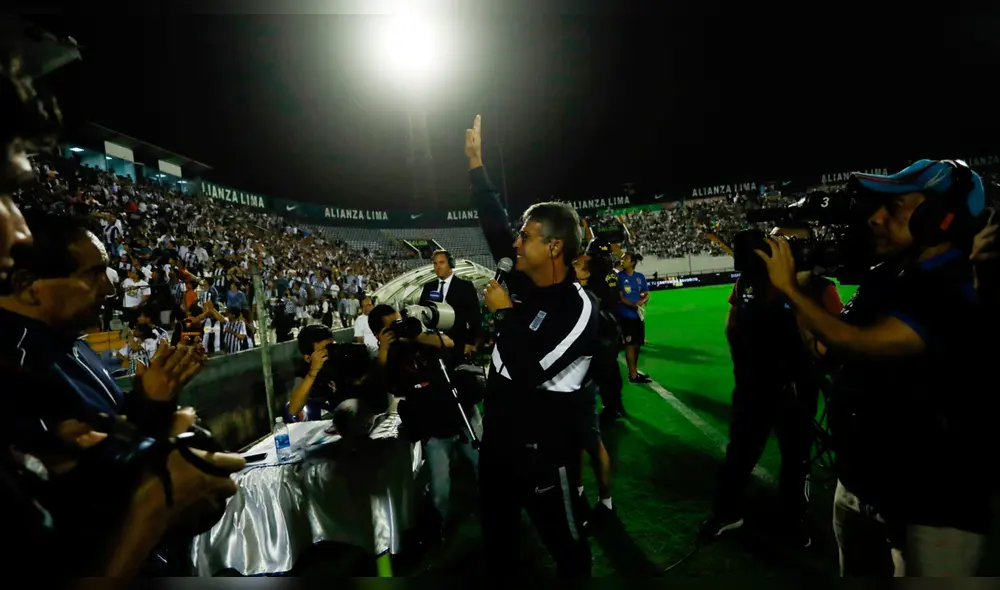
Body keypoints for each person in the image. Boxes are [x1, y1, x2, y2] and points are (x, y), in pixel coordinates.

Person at [755, 160, 991, 577]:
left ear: (940, 217)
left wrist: (791, 287)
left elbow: (862, 345)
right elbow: (828, 350)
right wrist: (803, 286)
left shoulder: (958, 285)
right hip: (860, 486)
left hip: (932, 505)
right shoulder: (888, 276)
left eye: (896, 207)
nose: (876, 218)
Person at [466, 115, 597, 576]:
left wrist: (504, 312)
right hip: (499, 442)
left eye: (526, 236)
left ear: (555, 247)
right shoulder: (523, 272)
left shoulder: (577, 310)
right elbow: (493, 222)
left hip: (543, 450)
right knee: (499, 545)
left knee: (567, 548)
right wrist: (476, 165)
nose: (516, 242)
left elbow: (531, 371)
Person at [700, 225, 843, 548]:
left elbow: (834, 345)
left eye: (788, 242)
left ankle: (793, 523)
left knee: (796, 458)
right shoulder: (748, 281)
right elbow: (732, 325)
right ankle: (727, 512)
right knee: (740, 451)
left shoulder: (821, 288)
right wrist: (743, 368)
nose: (776, 246)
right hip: (753, 385)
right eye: (774, 238)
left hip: (796, 388)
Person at [366, 303, 475, 544]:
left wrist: (414, 335)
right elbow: (384, 387)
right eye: (391, 327)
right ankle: (439, 528)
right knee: (440, 485)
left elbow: (447, 343)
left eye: (398, 322)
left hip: (459, 410)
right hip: (432, 423)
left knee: (484, 463)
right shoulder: (387, 357)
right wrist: (385, 348)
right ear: (378, 334)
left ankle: (499, 509)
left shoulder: (418, 339)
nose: (399, 327)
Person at [418, 249, 483, 362]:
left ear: (451, 264)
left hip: (456, 344)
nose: (438, 267)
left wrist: (470, 343)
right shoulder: (429, 287)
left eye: (441, 262)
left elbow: (475, 317)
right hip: (432, 344)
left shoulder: (465, 286)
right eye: (435, 263)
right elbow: (421, 312)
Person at [617, 252, 651, 383]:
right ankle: (632, 375)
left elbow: (646, 293)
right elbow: (620, 297)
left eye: (625, 259)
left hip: (638, 316)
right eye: (622, 258)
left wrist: (642, 301)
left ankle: (635, 372)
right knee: (630, 345)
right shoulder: (619, 277)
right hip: (625, 316)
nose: (622, 260)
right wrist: (633, 305)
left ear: (632, 263)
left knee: (637, 344)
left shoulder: (640, 277)